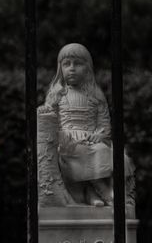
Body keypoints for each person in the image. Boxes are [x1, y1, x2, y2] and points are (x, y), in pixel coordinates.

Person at [41, 43, 134, 206]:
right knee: (79, 152)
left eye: (77, 64)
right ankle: (103, 191)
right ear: (60, 68)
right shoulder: (57, 94)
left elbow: (104, 122)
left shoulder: (96, 95)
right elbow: (48, 117)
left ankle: (92, 194)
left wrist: (99, 134)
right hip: (67, 141)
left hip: (92, 139)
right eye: (66, 64)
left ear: (87, 68)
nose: (72, 68)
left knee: (106, 152)